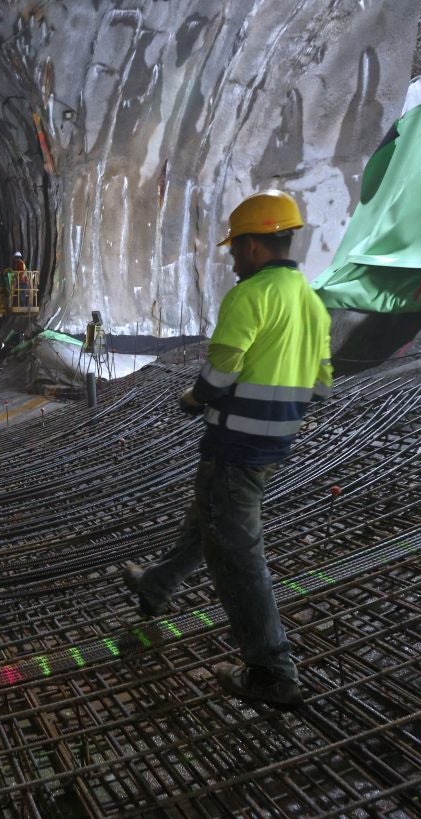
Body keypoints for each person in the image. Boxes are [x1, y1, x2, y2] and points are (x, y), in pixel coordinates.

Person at [122, 190, 333, 709]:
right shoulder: (310, 299)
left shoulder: (249, 297)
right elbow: (324, 382)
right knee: (208, 517)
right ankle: (156, 585)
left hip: (236, 442)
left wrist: (193, 398)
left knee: (237, 557)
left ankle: (272, 672)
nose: (232, 259)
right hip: (273, 441)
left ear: (256, 248)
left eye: (236, 249)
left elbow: (219, 373)